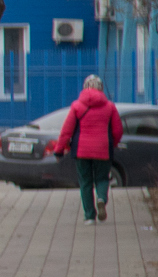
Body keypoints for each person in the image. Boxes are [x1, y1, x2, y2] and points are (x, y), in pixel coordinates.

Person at [49, 75, 122, 223]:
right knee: (102, 178)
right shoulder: (110, 107)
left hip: (81, 151)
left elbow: (66, 131)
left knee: (85, 182)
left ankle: (89, 216)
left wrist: (58, 150)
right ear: (101, 89)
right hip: (102, 150)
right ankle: (101, 198)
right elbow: (118, 130)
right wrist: (112, 144)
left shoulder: (76, 106)